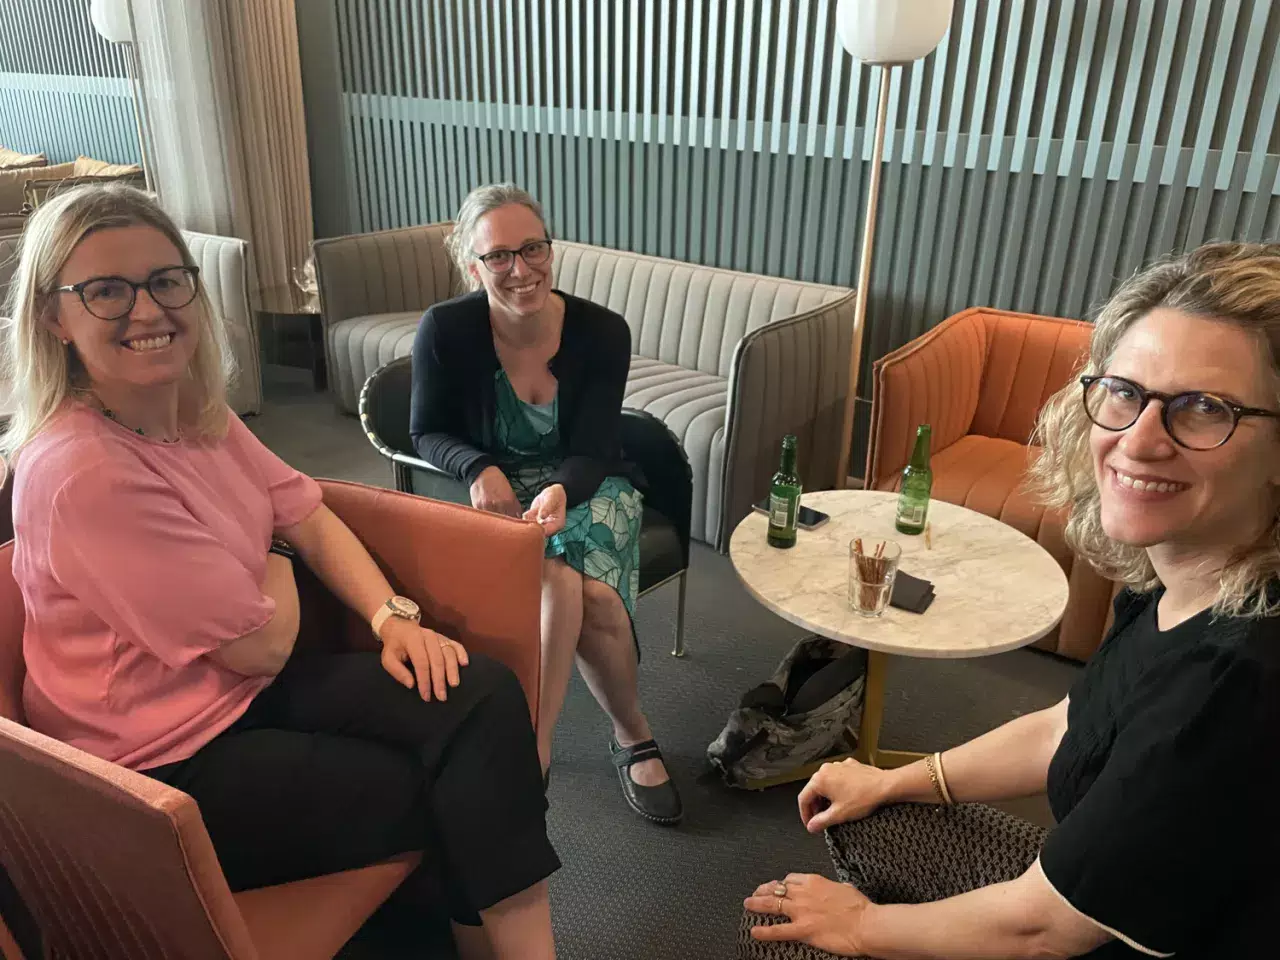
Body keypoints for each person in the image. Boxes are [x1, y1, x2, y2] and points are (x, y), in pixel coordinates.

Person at [2, 184, 559, 960]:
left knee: (478, 695)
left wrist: (390, 617)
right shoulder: (83, 472)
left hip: (235, 692)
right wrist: (278, 550)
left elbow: (307, 512)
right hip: (158, 761)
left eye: (166, 280)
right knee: (450, 787)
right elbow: (260, 642)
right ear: (53, 318)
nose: (148, 309)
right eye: (107, 291)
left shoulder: (192, 412)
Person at [744, 241, 1280, 958]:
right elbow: (1068, 726)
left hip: (1098, 932)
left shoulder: (1238, 677)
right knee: (861, 812)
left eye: (1205, 408)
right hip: (1093, 886)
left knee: (785, 941)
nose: (1140, 440)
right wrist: (895, 780)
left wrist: (859, 927)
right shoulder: (1170, 583)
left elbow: (1043, 929)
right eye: (1125, 392)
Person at [409, 183, 682, 825]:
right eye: (498, 256)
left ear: (550, 249)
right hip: (498, 490)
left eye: (533, 248)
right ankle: (632, 732)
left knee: (561, 566)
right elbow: (426, 431)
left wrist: (560, 489)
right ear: (472, 267)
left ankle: (533, 745)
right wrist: (477, 467)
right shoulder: (446, 329)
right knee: (584, 591)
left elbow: (594, 447)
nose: (521, 269)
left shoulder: (601, 331)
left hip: (590, 481)